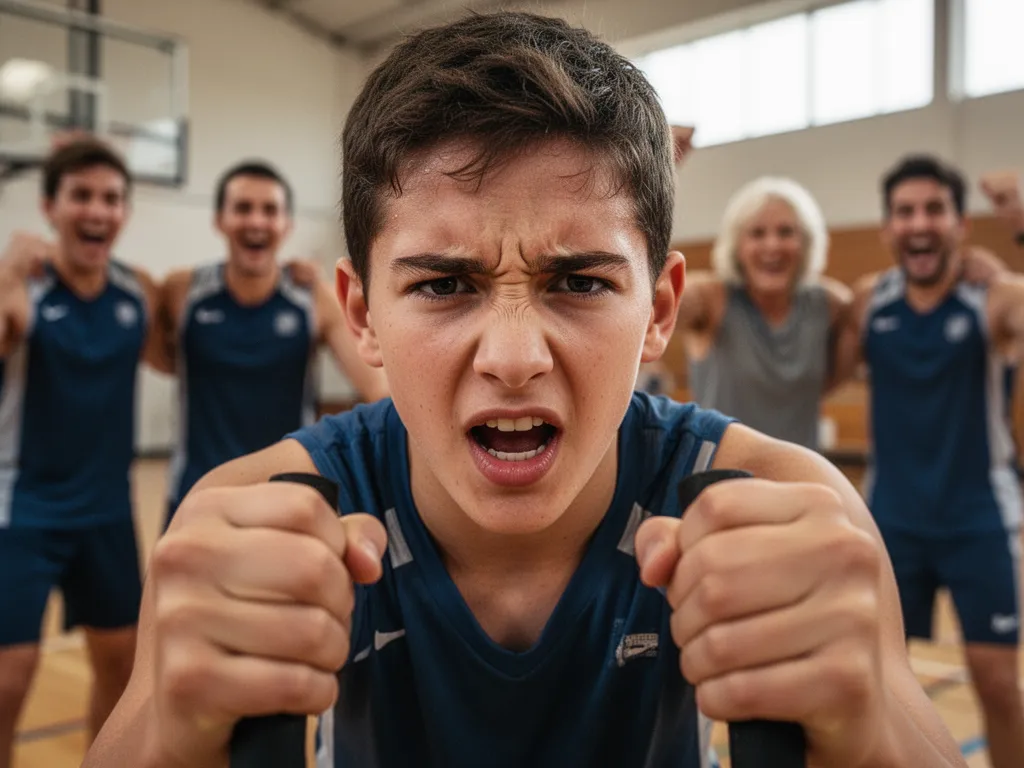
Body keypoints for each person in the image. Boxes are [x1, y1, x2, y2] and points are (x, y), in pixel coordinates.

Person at [84, 12, 965, 768]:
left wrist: (873, 729)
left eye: (579, 283)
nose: (513, 357)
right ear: (360, 316)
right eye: (442, 285)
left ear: (659, 309)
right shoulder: (243, 512)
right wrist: (166, 730)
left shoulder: (794, 505)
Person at [837, 155, 1024, 768]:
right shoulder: (870, 303)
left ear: (960, 224)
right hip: (893, 521)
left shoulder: (992, 299)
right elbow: (815, 372)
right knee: (886, 685)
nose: (920, 223)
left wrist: (1020, 220)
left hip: (981, 520)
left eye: (934, 210)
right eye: (906, 212)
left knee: (1000, 685)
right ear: (889, 228)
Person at [0, 138, 173, 767]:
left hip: (106, 512)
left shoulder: (135, 297)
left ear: (123, 213)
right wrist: (8, 269)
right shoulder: (23, 291)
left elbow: (182, 354)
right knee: (8, 681)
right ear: (51, 206)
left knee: (122, 669)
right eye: (81, 196)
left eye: (110, 198)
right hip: (22, 513)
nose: (97, 210)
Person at [159, 161, 388, 524]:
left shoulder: (312, 299)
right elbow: (156, 353)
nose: (256, 221)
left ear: (287, 225)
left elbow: (377, 387)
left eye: (270, 210)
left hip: (283, 493)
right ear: (219, 220)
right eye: (243, 208)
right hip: (195, 492)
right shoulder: (182, 290)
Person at [676, 176, 853, 450]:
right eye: (757, 233)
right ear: (737, 246)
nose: (772, 246)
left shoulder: (830, 304)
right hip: (721, 482)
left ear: (806, 242)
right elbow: (659, 297)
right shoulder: (712, 299)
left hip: (799, 480)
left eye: (785, 232)